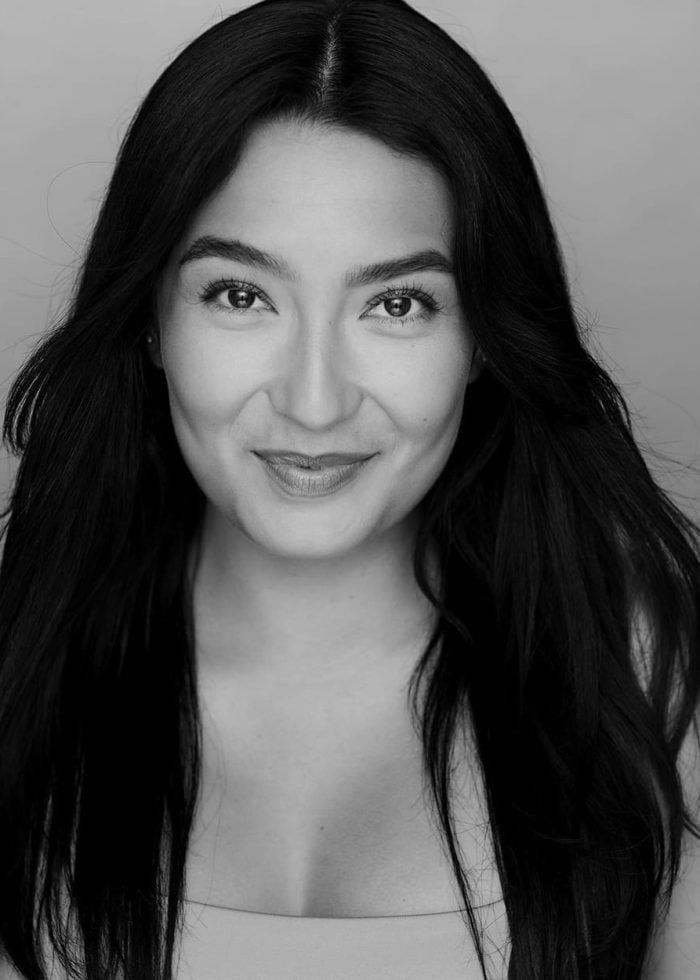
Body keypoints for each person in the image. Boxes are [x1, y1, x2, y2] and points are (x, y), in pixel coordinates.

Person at [0, 0, 698, 977]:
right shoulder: (16, 659)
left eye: (397, 302)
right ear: (151, 320)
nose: (314, 399)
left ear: (482, 342)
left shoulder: (648, 674)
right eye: (241, 295)